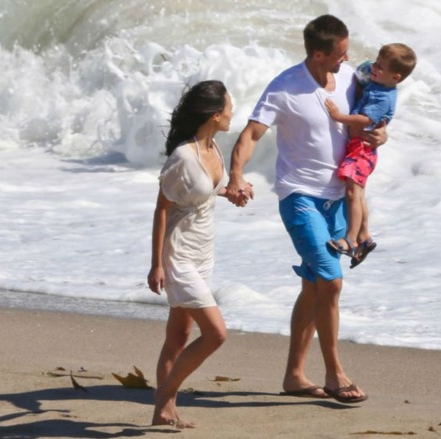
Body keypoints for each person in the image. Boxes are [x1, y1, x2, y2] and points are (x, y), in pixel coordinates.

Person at [225, 14, 386, 404]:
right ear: (317, 54)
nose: (346, 61)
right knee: (331, 281)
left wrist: (379, 134)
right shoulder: (285, 88)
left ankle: (294, 375)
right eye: (339, 54)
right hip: (299, 197)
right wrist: (236, 175)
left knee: (315, 285)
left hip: (339, 199)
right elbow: (250, 134)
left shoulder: (350, 80)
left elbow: (366, 124)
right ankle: (335, 374)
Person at [147, 80, 241, 428]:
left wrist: (232, 192)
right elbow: (161, 209)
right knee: (216, 333)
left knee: (178, 335)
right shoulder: (182, 158)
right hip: (178, 255)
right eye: (229, 107)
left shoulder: (213, 147)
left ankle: (163, 412)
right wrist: (157, 263)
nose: (233, 113)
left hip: (204, 251)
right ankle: (164, 395)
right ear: (215, 115)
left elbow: (203, 193)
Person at [324, 43, 417, 268]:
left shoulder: (384, 96)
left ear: (395, 77)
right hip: (359, 147)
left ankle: (350, 239)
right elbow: (362, 72)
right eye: (376, 62)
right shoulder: (376, 83)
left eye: (380, 67)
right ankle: (364, 237)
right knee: (358, 195)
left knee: (352, 194)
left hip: (362, 150)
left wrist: (338, 117)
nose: (374, 68)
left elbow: (366, 120)